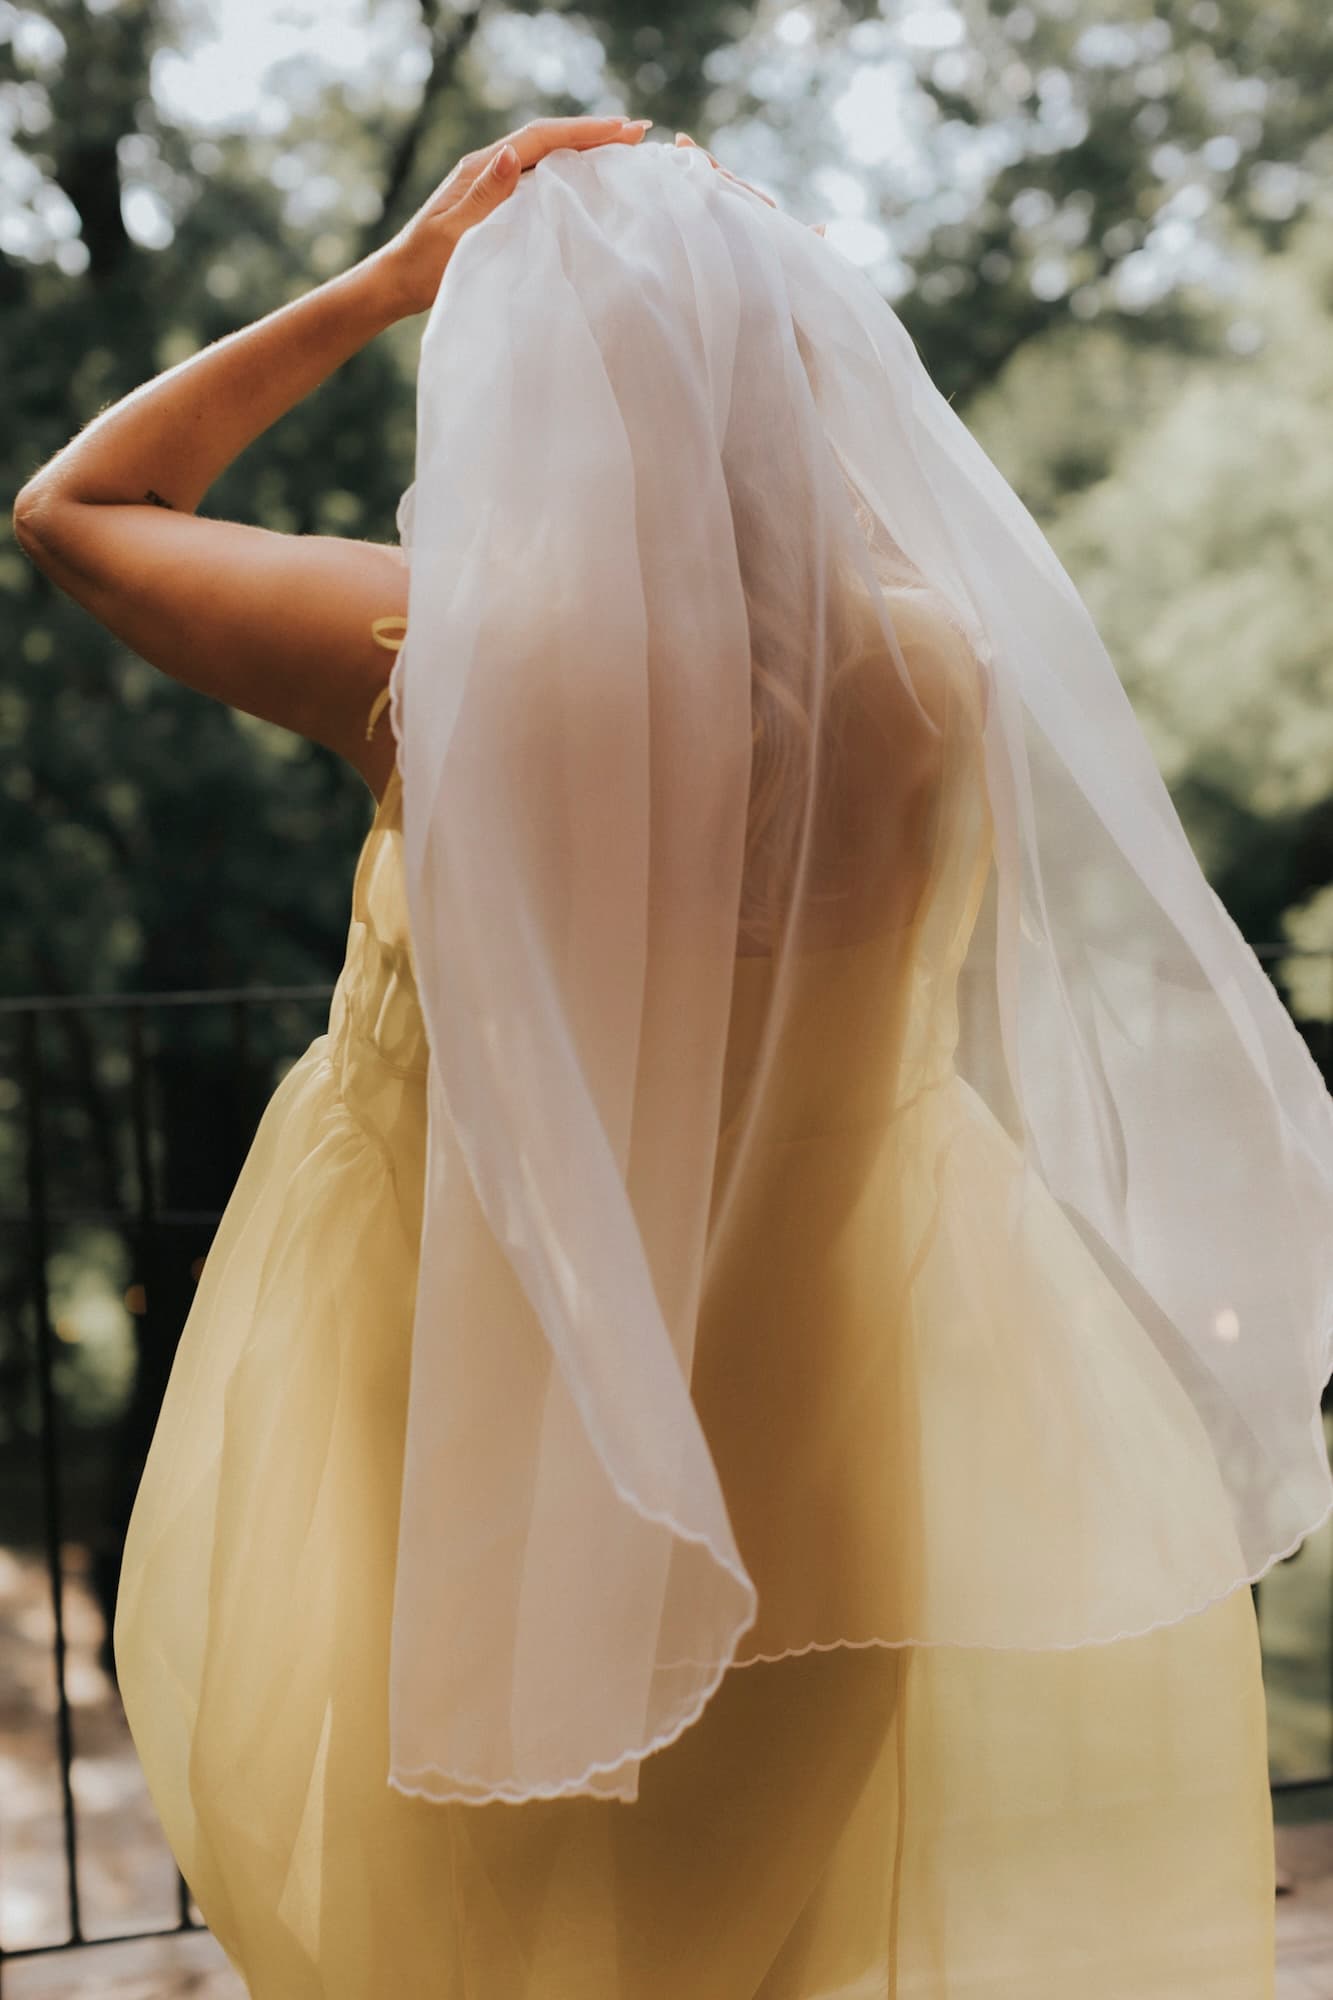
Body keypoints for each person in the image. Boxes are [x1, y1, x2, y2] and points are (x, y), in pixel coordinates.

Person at [16, 116, 1333, 1998]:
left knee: (478, 1935)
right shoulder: (935, 679)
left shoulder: (430, 657)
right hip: (825, 1418)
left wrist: (390, 280)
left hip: (463, 1411)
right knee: (760, 1939)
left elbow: (79, 510)